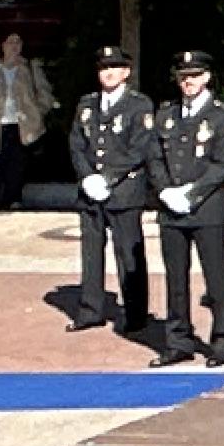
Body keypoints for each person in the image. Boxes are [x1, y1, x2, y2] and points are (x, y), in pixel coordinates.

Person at [151, 50, 224, 365]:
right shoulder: (166, 114)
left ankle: (221, 338)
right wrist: (164, 190)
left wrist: (193, 191)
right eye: (183, 77)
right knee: (175, 278)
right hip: (171, 208)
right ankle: (178, 340)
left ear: (206, 77)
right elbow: (154, 157)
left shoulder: (223, 115)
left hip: (206, 207)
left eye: (194, 76)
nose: (188, 82)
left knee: (216, 275)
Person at [60, 47, 157, 338]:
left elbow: (140, 147)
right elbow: (77, 142)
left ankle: (136, 313)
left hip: (124, 190)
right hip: (91, 191)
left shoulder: (138, 105)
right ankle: (91, 310)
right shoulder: (87, 104)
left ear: (126, 72)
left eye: (115, 67)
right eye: (103, 68)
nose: (108, 73)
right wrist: (87, 176)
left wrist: (109, 177)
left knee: (128, 253)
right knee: (91, 252)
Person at [0, 30, 56, 212]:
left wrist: (38, 113)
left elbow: (44, 93)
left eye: (18, 42)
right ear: (2, 45)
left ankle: (13, 199)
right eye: (10, 42)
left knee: (17, 164)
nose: (14, 46)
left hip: (21, 125)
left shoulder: (29, 67)